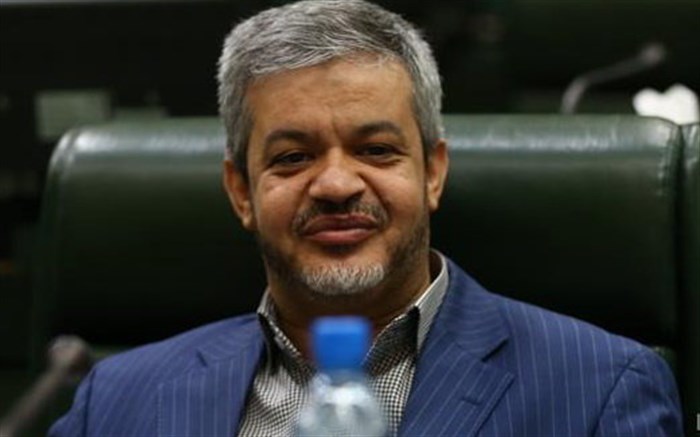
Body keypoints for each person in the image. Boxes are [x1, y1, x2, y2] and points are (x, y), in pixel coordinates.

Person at [50, 1, 683, 436]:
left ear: (433, 173)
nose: (335, 184)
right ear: (241, 192)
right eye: (293, 157)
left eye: (376, 150)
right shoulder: (117, 399)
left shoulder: (600, 388)